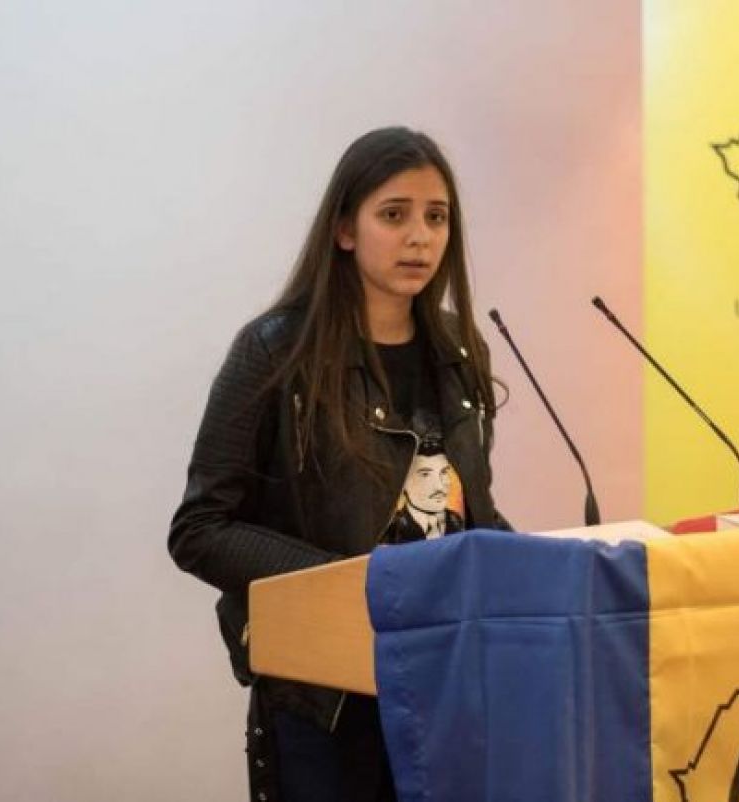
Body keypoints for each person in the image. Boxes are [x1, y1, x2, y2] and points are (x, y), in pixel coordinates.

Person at [168, 127, 509, 802]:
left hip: (444, 679)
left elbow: (467, 512)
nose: (420, 238)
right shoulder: (275, 352)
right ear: (345, 230)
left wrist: (549, 572)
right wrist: (353, 584)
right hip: (324, 701)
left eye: (436, 217)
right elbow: (200, 529)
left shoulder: (460, 348)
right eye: (395, 215)